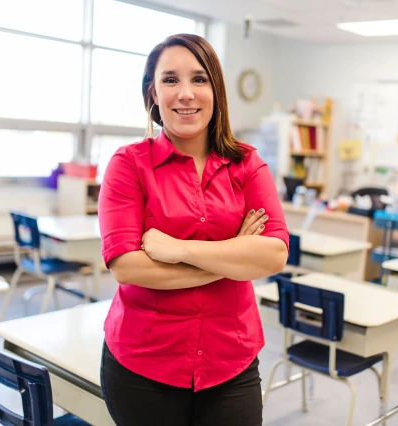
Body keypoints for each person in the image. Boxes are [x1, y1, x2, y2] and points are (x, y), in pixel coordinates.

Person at [98, 33, 289, 426]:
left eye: (199, 79)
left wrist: (179, 249)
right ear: (153, 92)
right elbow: (127, 268)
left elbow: (273, 254)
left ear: (215, 90)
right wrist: (234, 252)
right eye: (170, 80)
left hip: (230, 363)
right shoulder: (128, 165)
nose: (186, 93)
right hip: (144, 367)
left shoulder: (247, 165)